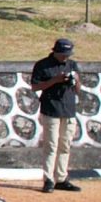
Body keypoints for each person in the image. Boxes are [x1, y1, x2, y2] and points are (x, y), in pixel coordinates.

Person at [29, 37, 84, 192]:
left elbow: (78, 90)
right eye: (63, 53)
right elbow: (35, 86)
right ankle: (48, 179)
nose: (66, 57)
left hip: (69, 110)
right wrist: (55, 80)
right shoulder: (42, 65)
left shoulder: (72, 65)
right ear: (55, 52)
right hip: (51, 109)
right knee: (51, 145)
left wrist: (76, 80)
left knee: (65, 145)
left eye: (68, 53)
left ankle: (61, 177)